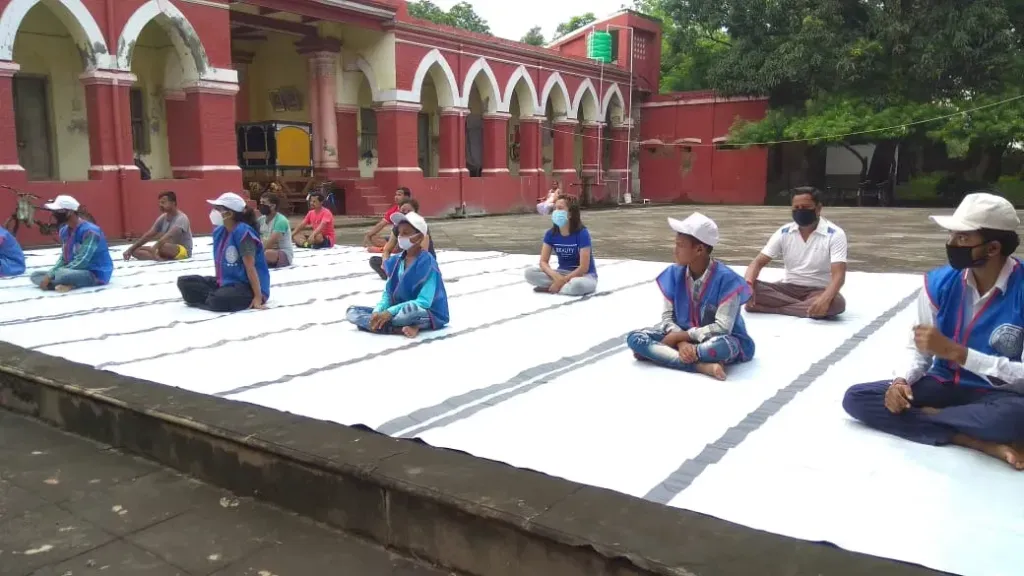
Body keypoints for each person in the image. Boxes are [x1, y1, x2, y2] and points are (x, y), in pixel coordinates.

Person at [843, 192, 1024, 470]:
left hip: (998, 393)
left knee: (1015, 417)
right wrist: (901, 382)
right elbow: (918, 349)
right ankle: (971, 439)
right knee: (858, 398)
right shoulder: (939, 283)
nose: (951, 244)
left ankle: (934, 418)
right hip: (943, 383)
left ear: (992, 248)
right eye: (951, 235)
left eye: (962, 238)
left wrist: (960, 354)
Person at [626, 213, 755, 381]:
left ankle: (664, 354)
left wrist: (681, 337)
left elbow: (722, 328)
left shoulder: (727, 280)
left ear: (699, 249)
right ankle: (701, 366)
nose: (675, 250)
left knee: (722, 347)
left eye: (680, 245)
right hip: (682, 338)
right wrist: (682, 342)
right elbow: (667, 317)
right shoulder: (674, 273)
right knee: (635, 338)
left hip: (716, 340)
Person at [744, 187, 847, 318]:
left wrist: (825, 298)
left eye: (805, 207)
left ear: (818, 208)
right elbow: (757, 262)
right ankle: (808, 309)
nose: (800, 211)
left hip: (818, 290)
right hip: (787, 288)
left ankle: (772, 308)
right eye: (796, 208)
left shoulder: (835, 234)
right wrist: (748, 285)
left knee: (836, 303)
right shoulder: (784, 232)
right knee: (745, 286)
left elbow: (839, 275)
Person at [346, 211, 448, 338]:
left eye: (406, 233)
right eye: (399, 233)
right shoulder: (395, 261)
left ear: (419, 237)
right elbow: (388, 294)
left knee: (409, 313)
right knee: (352, 312)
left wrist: (390, 312)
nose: (400, 237)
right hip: (396, 311)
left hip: (422, 311)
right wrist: (378, 311)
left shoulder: (428, 263)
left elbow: (424, 302)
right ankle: (394, 327)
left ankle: (381, 325)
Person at [177, 192, 270, 312]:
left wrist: (258, 297)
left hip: (246, 286)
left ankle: (215, 298)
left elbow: (250, 267)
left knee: (219, 299)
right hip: (225, 282)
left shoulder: (244, 233)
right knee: (185, 282)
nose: (214, 212)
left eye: (218, 209)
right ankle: (214, 297)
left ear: (229, 214)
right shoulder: (220, 231)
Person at [30, 195, 113, 292]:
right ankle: (63, 284)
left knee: (61, 274)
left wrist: (53, 274)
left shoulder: (90, 231)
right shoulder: (64, 231)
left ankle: (62, 284)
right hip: (73, 270)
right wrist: (50, 274)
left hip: (93, 272)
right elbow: (64, 258)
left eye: (58, 211)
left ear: (70, 212)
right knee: (35, 275)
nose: (55, 214)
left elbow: (82, 261)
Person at [524, 195, 597, 296]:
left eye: (560, 208)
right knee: (529, 273)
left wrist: (561, 281)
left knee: (578, 285)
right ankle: (563, 288)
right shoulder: (550, 234)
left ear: (570, 213)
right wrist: (556, 276)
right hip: (560, 273)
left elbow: (583, 268)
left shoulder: (582, 233)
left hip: (584, 276)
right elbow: (543, 262)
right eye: (555, 208)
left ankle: (553, 288)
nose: (556, 212)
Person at [370, 198, 435, 280]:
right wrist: (385, 263)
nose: (405, 213)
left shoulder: (420, 226)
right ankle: (393, 277)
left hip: (421, 264)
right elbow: (387, 249)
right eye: (403, 210)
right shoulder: (398, 227)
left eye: (409, 211)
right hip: (405, 261)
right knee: (374, 261)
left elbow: (423, 253)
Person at [122, 191, 193, 261]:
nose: (160, 205)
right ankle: (159, 257)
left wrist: (154, 248)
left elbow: (168, 236)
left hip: (182, 251)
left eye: (163, 202)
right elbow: (148, 235)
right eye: (159, 202)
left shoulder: (182, 218)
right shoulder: (163, 218)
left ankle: (157, 255)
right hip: (163, 248)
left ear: (173, 203)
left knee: (163, 246)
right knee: (135, 250)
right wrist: (130, 250)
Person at [257, 192, 294, 268]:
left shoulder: (281, 220)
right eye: (260, 202)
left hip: (282, 253)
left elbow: (269, 244)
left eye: (263, 203)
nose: (261, 205)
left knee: (267, 254)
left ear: (273, 206)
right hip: (265, 249)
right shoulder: (261, 220)